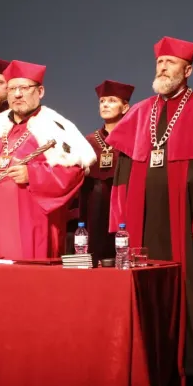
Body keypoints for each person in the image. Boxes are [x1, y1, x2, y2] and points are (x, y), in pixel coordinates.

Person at [105, 36, 193, 386]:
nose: (162, 68)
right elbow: (120, 175)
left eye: (170, 63)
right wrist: (119, 222)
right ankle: (143, 367)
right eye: (159, 62)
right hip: (140, 221)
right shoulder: (140, 112)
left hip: (185, 223)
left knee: (189, 293)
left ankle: (188, 374)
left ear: (188, 70)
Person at [0, 60, 96, 259]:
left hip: (29, 224)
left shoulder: (55, 126)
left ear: (40, 91)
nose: (17, 94)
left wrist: (33, 174)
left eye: (24, 88)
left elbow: (73, 172)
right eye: (12, 89)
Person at [73, 80, 133, 263]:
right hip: (93, 211)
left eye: (112, 100)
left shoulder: (133, 139)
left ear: (125, 107)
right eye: (102, 101)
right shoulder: (88, 141)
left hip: (123, 205)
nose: (105, 104)